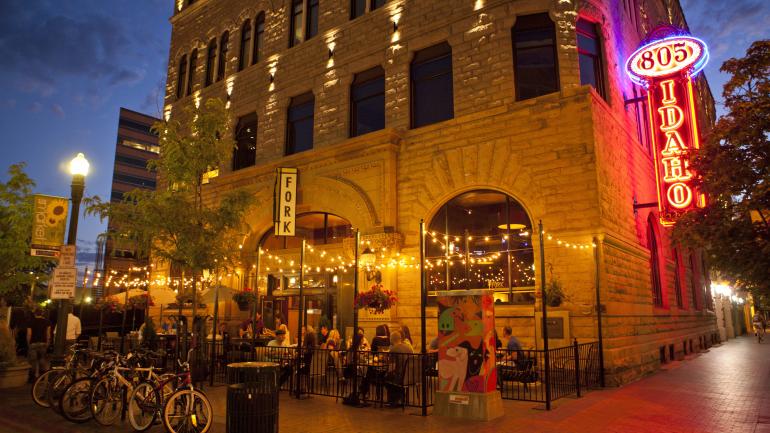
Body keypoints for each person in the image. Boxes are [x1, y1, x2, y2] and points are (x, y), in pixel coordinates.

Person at [385, 331, 413, 407]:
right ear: (400, 339)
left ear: (391, 339)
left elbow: (392, 368)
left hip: (399, 377)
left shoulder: (394, 350)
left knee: (385, 378)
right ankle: (399, 397)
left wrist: (385, 372)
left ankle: (393, 400)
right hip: (410, 376)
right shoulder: (409, 348)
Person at [27, 309, 50, 381]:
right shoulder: (47, 322)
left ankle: (32, 377)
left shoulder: (30, 321)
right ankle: (42, 376)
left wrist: (28, 343)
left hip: (33, 343)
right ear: (42, 313)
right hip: (43, 342)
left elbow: (29, 334)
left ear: (35, 314)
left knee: (33, 361)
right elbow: (48, 334)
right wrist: (48, 342)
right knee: (42, 359)